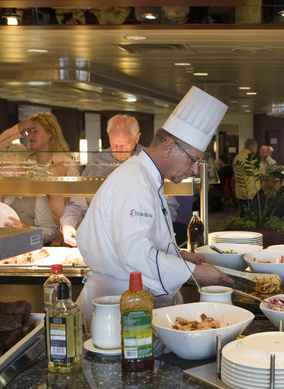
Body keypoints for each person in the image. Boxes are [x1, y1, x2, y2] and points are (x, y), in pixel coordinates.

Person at [75, 86, 233, 327]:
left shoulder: (147, 176)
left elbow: (145, 241)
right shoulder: (134, 180)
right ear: (169, 147)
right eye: (193, 160)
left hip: (133, 302)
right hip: (118, 311)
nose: (194, 169)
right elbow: (135, 256)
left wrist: (181, 255)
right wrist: (194, 272)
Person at [60, 114, 180, 246]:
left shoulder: (153, 162)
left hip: (143, 241)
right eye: (113, 144)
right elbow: (78, 204)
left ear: (137, 138)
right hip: (102, 241)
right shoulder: (97, 163)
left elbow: (170, 207)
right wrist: (68, 223)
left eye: (123, 145)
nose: (117, 150)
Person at [0, 112, 80, 245]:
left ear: (50, 133)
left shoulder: (64, 163)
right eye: (28, 131)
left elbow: (76, 202)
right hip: (31, 233)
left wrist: (71, 229)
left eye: (35, 131)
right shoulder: (24, 160)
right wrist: (17, 130)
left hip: (60, 234)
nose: (30, 136)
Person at [0, 142, 57, 243]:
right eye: (11, 167)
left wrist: (28, 230)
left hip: (23, 254)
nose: (18, 172)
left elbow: (52, 232)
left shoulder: (35, 195)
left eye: (21, 167)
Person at [232, 138, 262, 213]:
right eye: (256, 147)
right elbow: (259, 172)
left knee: (243, 212)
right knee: (250, 214)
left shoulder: (237, 157)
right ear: (252, 147)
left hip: (240, 190)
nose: (257, 150)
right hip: (250, 192)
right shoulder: (250, 158)